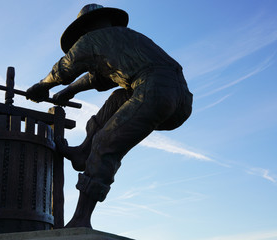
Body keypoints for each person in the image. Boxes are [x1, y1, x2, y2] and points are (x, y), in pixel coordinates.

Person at [26, 4, 193, 228]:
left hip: (153, 89)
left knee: (106, 144)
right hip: (180, 98)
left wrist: (42, 86)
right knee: (119, 97)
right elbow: (98, 79)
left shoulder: (91, 39)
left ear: (84, 29)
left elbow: (64, 68)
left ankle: (81, 219)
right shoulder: (128, 38)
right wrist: (68, 92)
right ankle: (83, 153)